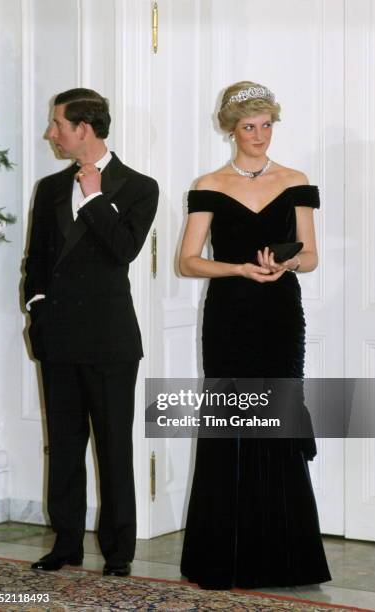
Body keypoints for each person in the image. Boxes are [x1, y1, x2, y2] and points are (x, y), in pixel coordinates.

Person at [178, 81, 331, 589]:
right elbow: (188, 261)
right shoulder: (210, 184)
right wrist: (240, 269)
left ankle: (287, 559)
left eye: (267, 125)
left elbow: (310, 256)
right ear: (231, 129)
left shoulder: (296, 180)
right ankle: (222, 557)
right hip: (230, 317)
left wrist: (287, 262)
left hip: (280, 318)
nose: (260, 135)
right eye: (249, 126)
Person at [24, 88, 158, 577]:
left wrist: (96, 196)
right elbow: (36, 261)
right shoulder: (49, 188)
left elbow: (123, 249)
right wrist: (36, 309)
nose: (51, 134)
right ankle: (65, 545)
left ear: (84, 128)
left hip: (110, 340)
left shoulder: (141, 187)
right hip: (57, 336)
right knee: (62, 445)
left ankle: (118, 552)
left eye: (57, 124)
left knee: (114, 448)